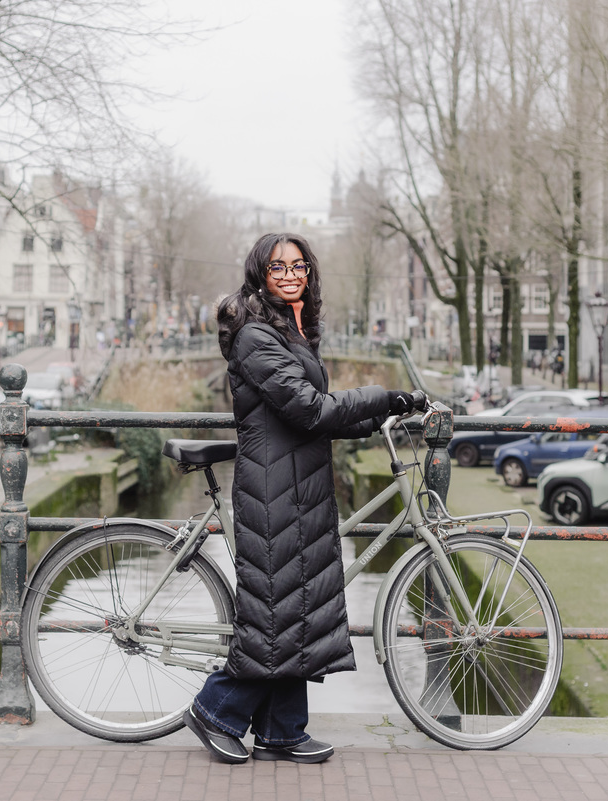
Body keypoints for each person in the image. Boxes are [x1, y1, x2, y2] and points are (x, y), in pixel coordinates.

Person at [181, 233, 415, 766]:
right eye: (277, 266)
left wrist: (373, 420)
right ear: (259, 272)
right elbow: (309, 409)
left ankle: (282, 731)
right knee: (275, 612)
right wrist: (386, 395)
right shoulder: (254, 335)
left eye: (298, 265)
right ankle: (215, 710)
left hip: (298, 483)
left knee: (296, 608)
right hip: (272, 489)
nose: (290, 273)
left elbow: (311, 415)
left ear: (309, 272)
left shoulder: (292, 329)